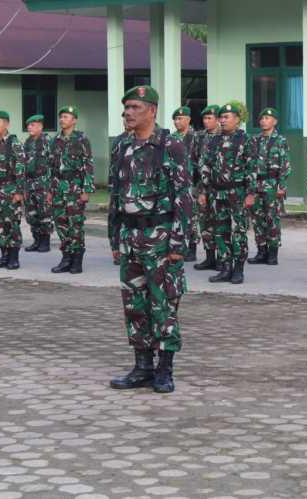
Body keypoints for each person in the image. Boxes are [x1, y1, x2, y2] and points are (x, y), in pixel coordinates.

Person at [108, 85, 193, 394]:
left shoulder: (170, 146)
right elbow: (116, 194)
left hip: (160, 238)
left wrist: (177, 245)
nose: (128, 113)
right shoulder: (121, 146)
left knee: (164, 304)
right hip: (131, 236)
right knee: (134, 304)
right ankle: (142, 366)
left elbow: (184, 197)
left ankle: (164, 369)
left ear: (152, 111)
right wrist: (114, 239)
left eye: (135, 107)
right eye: (126, 108)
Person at [199, 102, 252, 284]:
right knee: (220, 231)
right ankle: (225, 267)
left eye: (226, 117)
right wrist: (204, 191)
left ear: (237, 120)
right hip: (217, 192)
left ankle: (238, 269)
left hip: (237, 192)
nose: (222, 120)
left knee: (238, 231)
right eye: (221, 117)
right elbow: (205, 165)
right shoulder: (213, 141)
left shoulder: (245, 140)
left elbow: (253, 168)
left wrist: (251, 193)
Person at [49, 106, 95, 274]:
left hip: (75, 187)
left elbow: (88, 164)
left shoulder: (81, 138)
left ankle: (77, 259)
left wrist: (86, 189)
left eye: (66, 117)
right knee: (60, 224)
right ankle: (66, 257)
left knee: (75, 225)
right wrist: (49, 190)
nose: (62, 120)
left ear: (74, 120)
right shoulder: (55, 140)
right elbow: (51, 166)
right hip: (58, 188)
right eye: (61, 117)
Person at [247, 107, 291, 266]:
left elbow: (285, 165)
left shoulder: (280, 140)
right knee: (258, 219)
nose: (264, 121)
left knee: (272, 219)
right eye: (262, 118)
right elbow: (250, 165)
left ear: (275, 121)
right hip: (256, 184)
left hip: (272, 185)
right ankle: (261, 251)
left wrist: (282, 186)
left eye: (267, 118)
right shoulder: (254, 140)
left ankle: (273, 253)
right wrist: (250, 188)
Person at [0, 111, 26, 270]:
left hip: (9, 189)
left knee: (12, 224)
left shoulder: (13, 143)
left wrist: (19, 191)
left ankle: (14, 257)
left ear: (6, 124)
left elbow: (21, 168)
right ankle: (4, 256)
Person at [191, 105, 223, 271]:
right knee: (204, 221)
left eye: (210, 118)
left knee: (219, 222)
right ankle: (209, 257)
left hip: (219, 186)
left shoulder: (223, 136)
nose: (206, 121)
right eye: (204, 118)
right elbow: (194, 158)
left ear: (217, 119)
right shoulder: (200, 136)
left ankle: (221, 258)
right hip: (203, 185)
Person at [23, 114, 54, 253]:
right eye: (28, 125)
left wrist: (50, 186)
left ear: (40, 126)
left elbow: (53, 164)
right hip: (29, 182)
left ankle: (45, 242)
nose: (29, 127)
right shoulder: (27, 142)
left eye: (33, 125)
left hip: (43, 181)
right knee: (31, 213)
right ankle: (36, 240)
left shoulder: (48, 141)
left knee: (44, 212)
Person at [171, 106, 197, 261]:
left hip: (192, 183)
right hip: (175, 184)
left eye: (180, 118)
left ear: (188, 120)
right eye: (175, 119)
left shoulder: (196, 137)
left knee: (192, 217)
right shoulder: (172, 138)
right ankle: (179, 247)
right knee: (177, 216)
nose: (177, 122)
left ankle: (192, 248)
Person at [108, 112, 133, 265]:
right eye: (123, 117)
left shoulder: (140, 139)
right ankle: (116, 249)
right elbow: (112, 166)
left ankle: (129, 251)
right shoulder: (119, 139)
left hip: (132, 189)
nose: (126, 120)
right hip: (117, 188)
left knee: (129, 220)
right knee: (114, 219)